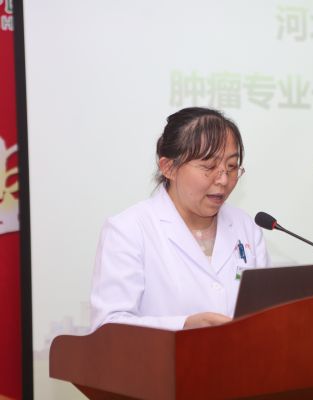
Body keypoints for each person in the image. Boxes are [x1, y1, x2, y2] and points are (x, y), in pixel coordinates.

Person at [90, 107, 270, 331]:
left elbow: (265, 312)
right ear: (169, 168)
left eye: (231, 166)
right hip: (163, 356)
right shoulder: (128, 230)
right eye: (209, 166)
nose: (224, 180)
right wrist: (184, 326)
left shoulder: (246, 227)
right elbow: (108, 327)